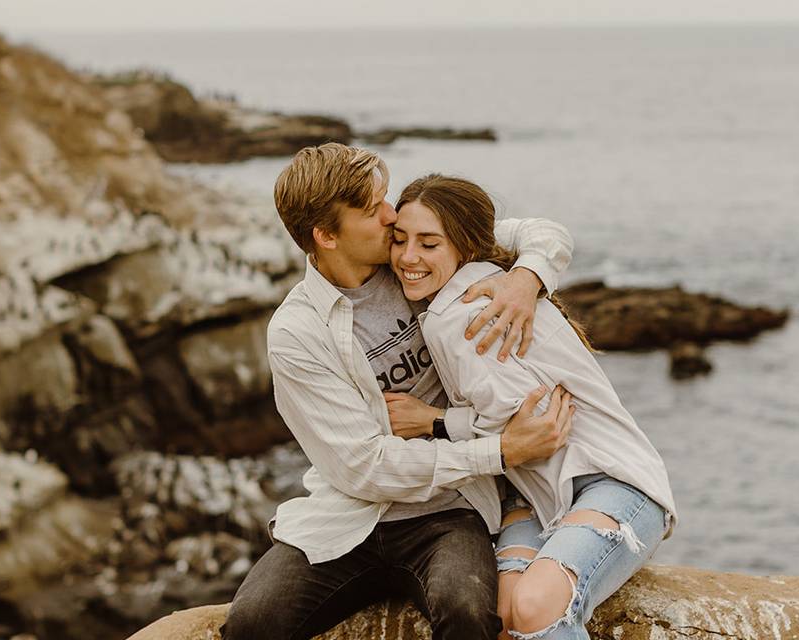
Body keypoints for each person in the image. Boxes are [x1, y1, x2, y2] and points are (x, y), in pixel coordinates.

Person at [222, 143, 580, 640]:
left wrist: (525, 280)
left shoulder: (414, 256)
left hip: (448, 509)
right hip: (347, 518)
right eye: (373, 210)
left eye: (385, 198)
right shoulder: (296, 332)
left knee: (470, 611)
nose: (392, 216)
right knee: (251, 624)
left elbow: (544, 233)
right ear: (326, 236)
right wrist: (499, 451)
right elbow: (364, 466)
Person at [387, 174, 678, 640]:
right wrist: (528, 274)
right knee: (504, 614)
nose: (408, 257)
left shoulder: (456, 313)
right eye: (398, 240)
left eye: (428, 244)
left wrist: (434, 421)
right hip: (537, 497)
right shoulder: (471, 281)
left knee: (537, 605)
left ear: (464, 245)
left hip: (615, 480)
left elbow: (519, 427)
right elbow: (542, 233)